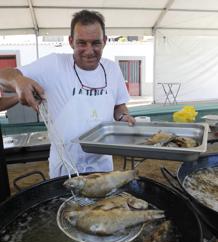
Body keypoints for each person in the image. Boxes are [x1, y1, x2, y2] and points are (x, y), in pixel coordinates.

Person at [0, 9, 135, 178]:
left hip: (102, 166)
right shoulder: (54, 64)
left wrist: (123, 117)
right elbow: (3, 76)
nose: (89, 50)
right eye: (81, 43)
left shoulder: (112, 69)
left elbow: (119, 107)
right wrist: (17, 81)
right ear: (71, 41)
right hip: (65, 168)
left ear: (105, 41)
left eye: (95, 43)